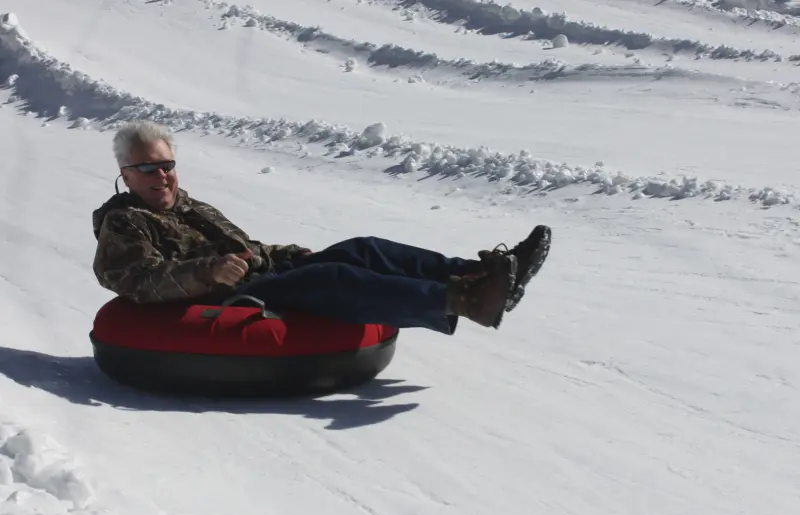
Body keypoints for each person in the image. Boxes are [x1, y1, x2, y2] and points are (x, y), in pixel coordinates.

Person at [92, 121, 551, 334]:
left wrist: (292, 254)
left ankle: (482, 275)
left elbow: (249, 249)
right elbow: (134, 280)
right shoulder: (124, 222)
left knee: (363, 248)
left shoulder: (193, 207)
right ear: (126, 175)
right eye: (147, 170)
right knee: (331, 278)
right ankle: (466, 302)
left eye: (167, 165)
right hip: (221, 301)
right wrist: (208, 272)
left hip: (255, 279)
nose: (162, 176)